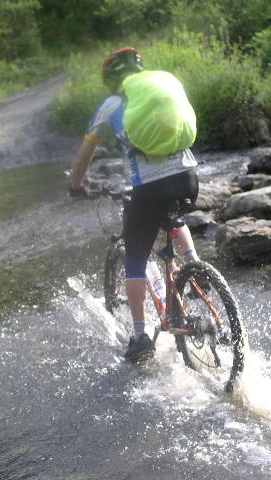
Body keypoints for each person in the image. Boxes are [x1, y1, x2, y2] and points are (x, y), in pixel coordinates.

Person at [69, 46, 201, 361]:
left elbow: (86, 152)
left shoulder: (113, 103)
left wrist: (76, 186)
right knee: (175, 218)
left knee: (135, 257)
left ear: (112, 80)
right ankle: (196, 270)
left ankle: (140, 337)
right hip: (189, 178)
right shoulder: (164, 84)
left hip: (152, 186)